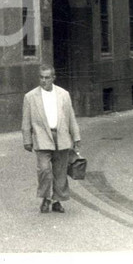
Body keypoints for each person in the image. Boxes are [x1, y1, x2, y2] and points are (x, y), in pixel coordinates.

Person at [21, 64, 81, 213]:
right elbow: (25, 121)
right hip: (42, 137)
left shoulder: (63, 94)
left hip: (61, 136)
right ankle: (45, 197)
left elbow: (71, 118)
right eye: (41, 77)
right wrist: (27, 140)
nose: (43, 80)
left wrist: (76, 137)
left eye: (47, 77)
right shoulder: (30, 97)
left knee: (60, 172)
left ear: (53, 78)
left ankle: (57, 201)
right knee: (44, 170)